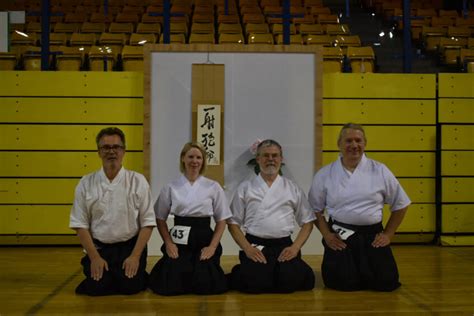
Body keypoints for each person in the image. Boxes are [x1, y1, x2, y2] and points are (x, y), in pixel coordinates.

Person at [308, 123, 411, 292]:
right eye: (348, 141)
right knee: (342, 283)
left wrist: (388, 234)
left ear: (365, 144)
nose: (354, 145)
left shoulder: (380, 170)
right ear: (339, 144)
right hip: (341, 238)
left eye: (358, 140)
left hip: (372, 236)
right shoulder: (325, 174)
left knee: (386, 282)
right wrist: (327, 235)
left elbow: (401, 203)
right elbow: (314, 208)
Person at [69, 127, 156, 296]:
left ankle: (134, 273)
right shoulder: (86, 183)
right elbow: (80, 224)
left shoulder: (138, 181)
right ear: (99, 152)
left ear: (123, 151)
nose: (111, 151)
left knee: (130, 287)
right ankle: (107, 273)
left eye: (116, 147)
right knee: (97, 288)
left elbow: (148, 223)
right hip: (100, 248)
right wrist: (94, 257)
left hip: (129, 247)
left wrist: (135, 256)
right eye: (106, 147)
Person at [227, 139, 316, 293]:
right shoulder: (246, 188)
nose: (270, 159)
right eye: (266, 155)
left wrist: (295, 248)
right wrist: (247, 248)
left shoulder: (291, 187)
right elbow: (233, 223)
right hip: (255, 245)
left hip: (284, 245)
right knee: (255, 285)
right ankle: (242, 269)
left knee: (290, 283)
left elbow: (308, 222)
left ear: (281, 159)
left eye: (275, 156)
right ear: (258, 159)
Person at [148, 142, 231, 295]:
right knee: (170, 282)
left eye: (199, 157)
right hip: (179, 239)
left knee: (206, 282)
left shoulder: (213, 187)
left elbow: (222, 220)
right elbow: (160, 218)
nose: (195, 161)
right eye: (190, 157)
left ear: (203, 161)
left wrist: (212, 247)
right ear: (183, 159)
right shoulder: (171, 187)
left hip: (204, 237)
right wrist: (168, 243)